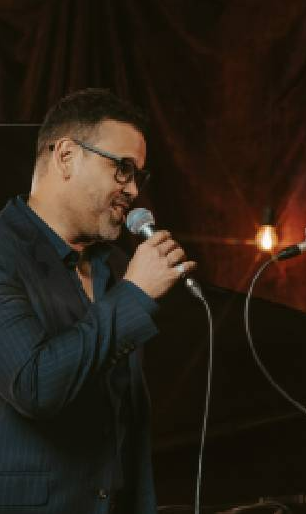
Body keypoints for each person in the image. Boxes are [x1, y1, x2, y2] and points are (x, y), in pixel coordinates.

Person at [0, 88, 195, 513]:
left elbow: (124, 423)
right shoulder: (4, 251)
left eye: (138, 176)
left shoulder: (117, 266)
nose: (132, 190)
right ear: (66, 156)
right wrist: (134, 295)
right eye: (122, 169)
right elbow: (34, 386)